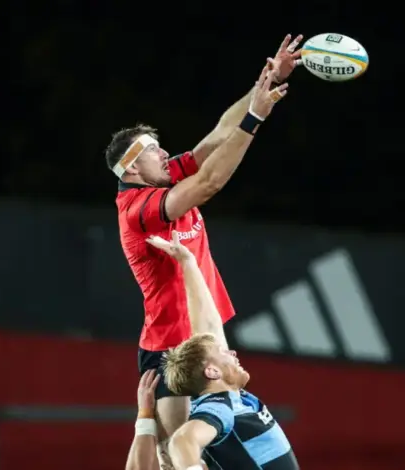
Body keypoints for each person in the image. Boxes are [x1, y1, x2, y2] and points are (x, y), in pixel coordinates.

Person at [105, 35, 303, 470]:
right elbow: (210, 182)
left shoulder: (162, 176)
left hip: (204, 327)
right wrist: (255, 118)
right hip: (171, 346)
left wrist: (266, 82)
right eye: (152, 149)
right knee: (176, 457)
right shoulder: (139, 209)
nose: (164, 152)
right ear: (133, 168)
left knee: (213, 447)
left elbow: (214, 139)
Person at [146, 232, 298, 470]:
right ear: (213, 372)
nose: (232, 353)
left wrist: (188, 262)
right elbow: (182, 440)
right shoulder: (219, 407)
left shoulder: (230, 400)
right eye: (223, 352)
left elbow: (208, 325)